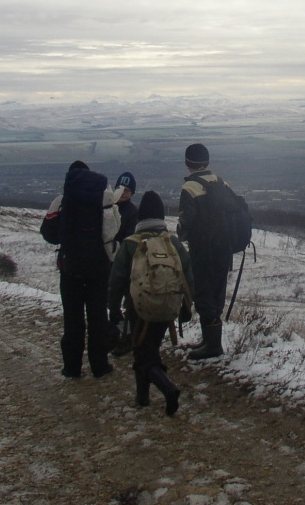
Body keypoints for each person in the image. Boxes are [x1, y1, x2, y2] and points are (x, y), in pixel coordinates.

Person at [108, 191, 193, 415]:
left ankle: (167, 388)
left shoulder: (130, 244)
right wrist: (187, 307)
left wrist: (113, 309)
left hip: (139, 309)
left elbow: (116, 281)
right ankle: (142, 397)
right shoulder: (173, 243)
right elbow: (188, 277)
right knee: (148, 349)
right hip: (168, 308)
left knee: (143, 353)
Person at [56, 160, 114, 379]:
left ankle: (72, 368)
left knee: (73, 319)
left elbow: (50, 233)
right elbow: (111, 230)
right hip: (99, 268)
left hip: (71, 268)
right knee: (98, 317)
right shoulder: (103, 197)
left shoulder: (64, 199)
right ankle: (100, 366)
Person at [178, 143, 233, 359]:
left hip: (202, 250)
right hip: (224, 248)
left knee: (202, 293)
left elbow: (187, 223)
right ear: (207, 161)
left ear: (187, 163)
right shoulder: (221, 182)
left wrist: (181, 234)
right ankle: (210, 340)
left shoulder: (190, 187)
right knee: (217, 292)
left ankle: (212, 345)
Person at [114, 171, 139, 243]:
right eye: (120, 189)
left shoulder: (133, 212)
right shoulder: (107, 206)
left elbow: (130, 236)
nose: (122, 193)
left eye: (126, 190)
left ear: (131, 194)